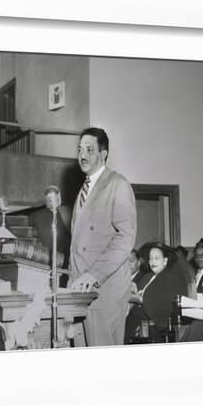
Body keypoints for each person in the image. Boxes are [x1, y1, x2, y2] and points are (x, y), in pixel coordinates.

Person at [69, 127, 137, 347]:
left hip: (104, 292)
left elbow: (125, 238)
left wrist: (94, 275)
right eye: (80, 150)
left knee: (102, 364)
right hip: (80, 292)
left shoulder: (118, 184)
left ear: (103, 153)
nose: (82, 155)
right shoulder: (83, 190)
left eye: (89, 150)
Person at [125, 242, 188, 343]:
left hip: (157, 327)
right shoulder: (148, 276)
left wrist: (141, 300)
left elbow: (167, 304)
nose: (152, 261)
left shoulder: (172, 277)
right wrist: (135, 291)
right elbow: (143, 293)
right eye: (150, 258)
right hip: (137, 321)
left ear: (165, 260)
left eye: (156, 258)